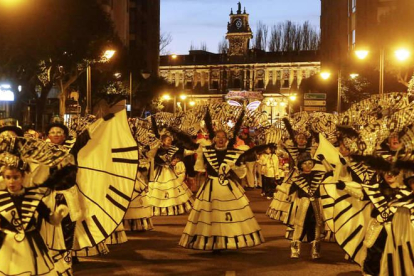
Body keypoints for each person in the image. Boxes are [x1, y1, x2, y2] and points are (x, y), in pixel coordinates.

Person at [179, 130, 264, 251]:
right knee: (209, 214)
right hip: (211, 186)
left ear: (226, 139)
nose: (220, 139)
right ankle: (212, 241)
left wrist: (234, 166)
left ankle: (230, 240)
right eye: (218, 137)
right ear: (214, 139)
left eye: (223, 137)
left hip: (228, 186)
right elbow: (200, 167)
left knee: (232, 214)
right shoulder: (206, 151)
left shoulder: (232, 153)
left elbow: (240, 173)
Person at [0, 155, 68, 276]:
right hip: (7, 245)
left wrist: (59, 213)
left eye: (15, 177)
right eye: (8, 177)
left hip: (32, 242)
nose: (11, 181)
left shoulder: (33, 196)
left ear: (23, 177)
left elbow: (52, 220)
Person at [279, 152, 333, 259]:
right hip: (302, 206)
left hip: (316, 206)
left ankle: (315, 251)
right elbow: (289, 192)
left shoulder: (318, 175)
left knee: (316, 227)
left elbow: (331, 172)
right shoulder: (297, 179)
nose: (308, 166)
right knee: (300, 227)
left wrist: (323, 160)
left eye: (310, 163)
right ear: (300, 166)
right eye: (305, 164)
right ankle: (295, 250)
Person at [147, 133, 194, 216]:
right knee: (157, 189)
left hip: (168, 171)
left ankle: (173, 209)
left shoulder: (173, 149)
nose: (170, 142)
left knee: (172, 188)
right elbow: (153, 157)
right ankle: (158, 209)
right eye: (168, 140)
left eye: (170, 140)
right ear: (163, 141)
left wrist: (173, 161)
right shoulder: (158, 149)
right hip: (160, 171)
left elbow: (183, 153)